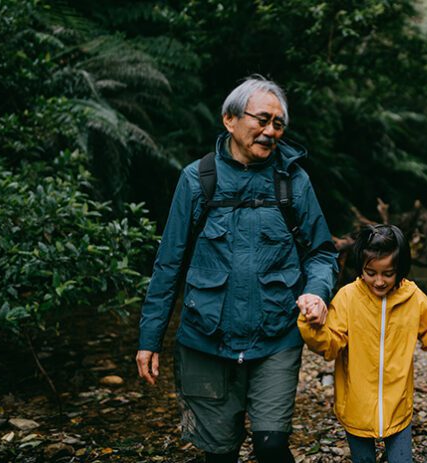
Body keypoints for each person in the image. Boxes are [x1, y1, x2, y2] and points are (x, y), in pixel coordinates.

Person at [135, 75, 338, 463]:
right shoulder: (197, 180)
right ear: (229, 119)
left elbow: (322, 253)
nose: (270, 131)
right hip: (205, 339)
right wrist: (150, 338)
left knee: (272, 447)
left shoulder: (293, 181)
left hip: (276, 336)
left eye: (278, 124)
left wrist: (317, 291)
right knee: (219, 453)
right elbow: (169, 264)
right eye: (261, 119)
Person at [298, 224, 427, 463]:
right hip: (356, 405)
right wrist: (312, 326)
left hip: (398, 405)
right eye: (371, 272)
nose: (379, 281)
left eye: (388, 273)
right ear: (361, 267)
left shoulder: (412, 297)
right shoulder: (348, 298)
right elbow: (329, 345)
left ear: (401, 269)